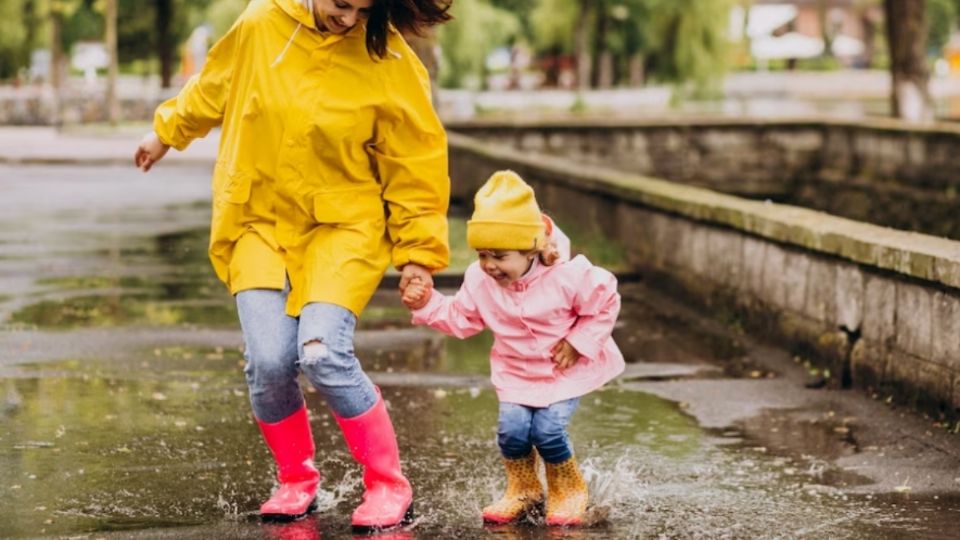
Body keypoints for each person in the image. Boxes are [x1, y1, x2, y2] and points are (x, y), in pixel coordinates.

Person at [134, 0, 452, 532]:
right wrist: (165, 133)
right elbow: (212, 85)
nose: (349, 19)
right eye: (342, 5)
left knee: (323, 352)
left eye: (364, 8)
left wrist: (418, 254)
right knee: (269, 362)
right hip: (257, 220)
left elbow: (415, 162)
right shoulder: (262, 23)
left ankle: (387, 484)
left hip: (341, 226)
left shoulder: (389, 55)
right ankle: (296, 479)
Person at [400, 170, 625, 526]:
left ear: (531, 248)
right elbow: (462, 317)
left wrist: (579, 341)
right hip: (516, 370)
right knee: (512, 431)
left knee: (548, 430)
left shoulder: (569, 275)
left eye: (500, 256)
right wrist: (426, 304)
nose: (489, 265)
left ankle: (568, 489)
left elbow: (605, 301)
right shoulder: (481, 279)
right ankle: (524, 487)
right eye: (482, 254)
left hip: (563, 369)